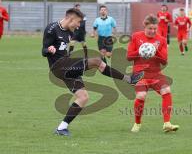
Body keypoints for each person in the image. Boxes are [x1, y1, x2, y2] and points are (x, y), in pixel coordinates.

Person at [42, 8, 144, 136]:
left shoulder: (69, 32)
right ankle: (129, 80)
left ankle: (61, 128)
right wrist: (49, 49)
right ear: (70, 19)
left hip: (67, 66)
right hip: (59, 66)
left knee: (83, 97)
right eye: (78, 22)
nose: (79, 26)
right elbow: (44, 50)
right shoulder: (51, 29)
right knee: (96, 61)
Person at [127, 14, 179, 133]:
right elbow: (129, 56)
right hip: (139, 73)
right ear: (144, 26)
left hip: (155, 73)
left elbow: (164, 60)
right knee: (141, 96)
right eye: (150, 28)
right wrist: (141, 51)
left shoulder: (161, 40)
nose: (153, 31)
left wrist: (154, 51)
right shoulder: (136, 37)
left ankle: (167, 123)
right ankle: (137, 123)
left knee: (166, 90)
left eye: (155, 28)